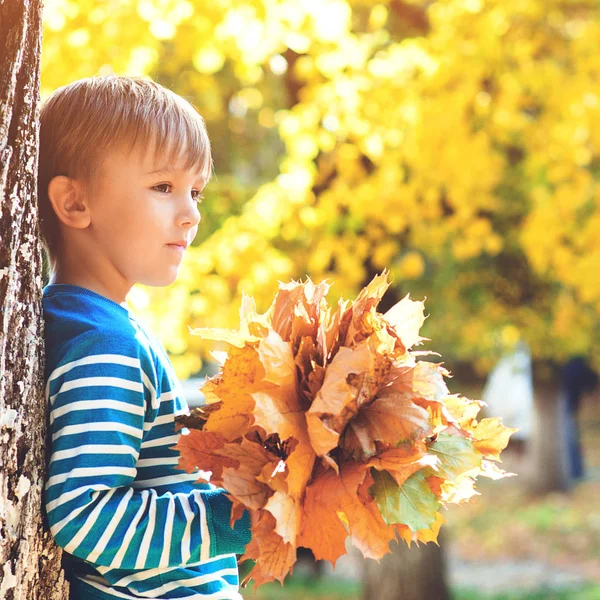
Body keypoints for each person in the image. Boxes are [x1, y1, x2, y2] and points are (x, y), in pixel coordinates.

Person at [38, 75, 251, 600]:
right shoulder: (106, 345)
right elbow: (83, 512)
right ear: (74, 203)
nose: (192, 213)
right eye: (164, 187)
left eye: (195, 191)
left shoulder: (91, 324)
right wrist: (237, 520)